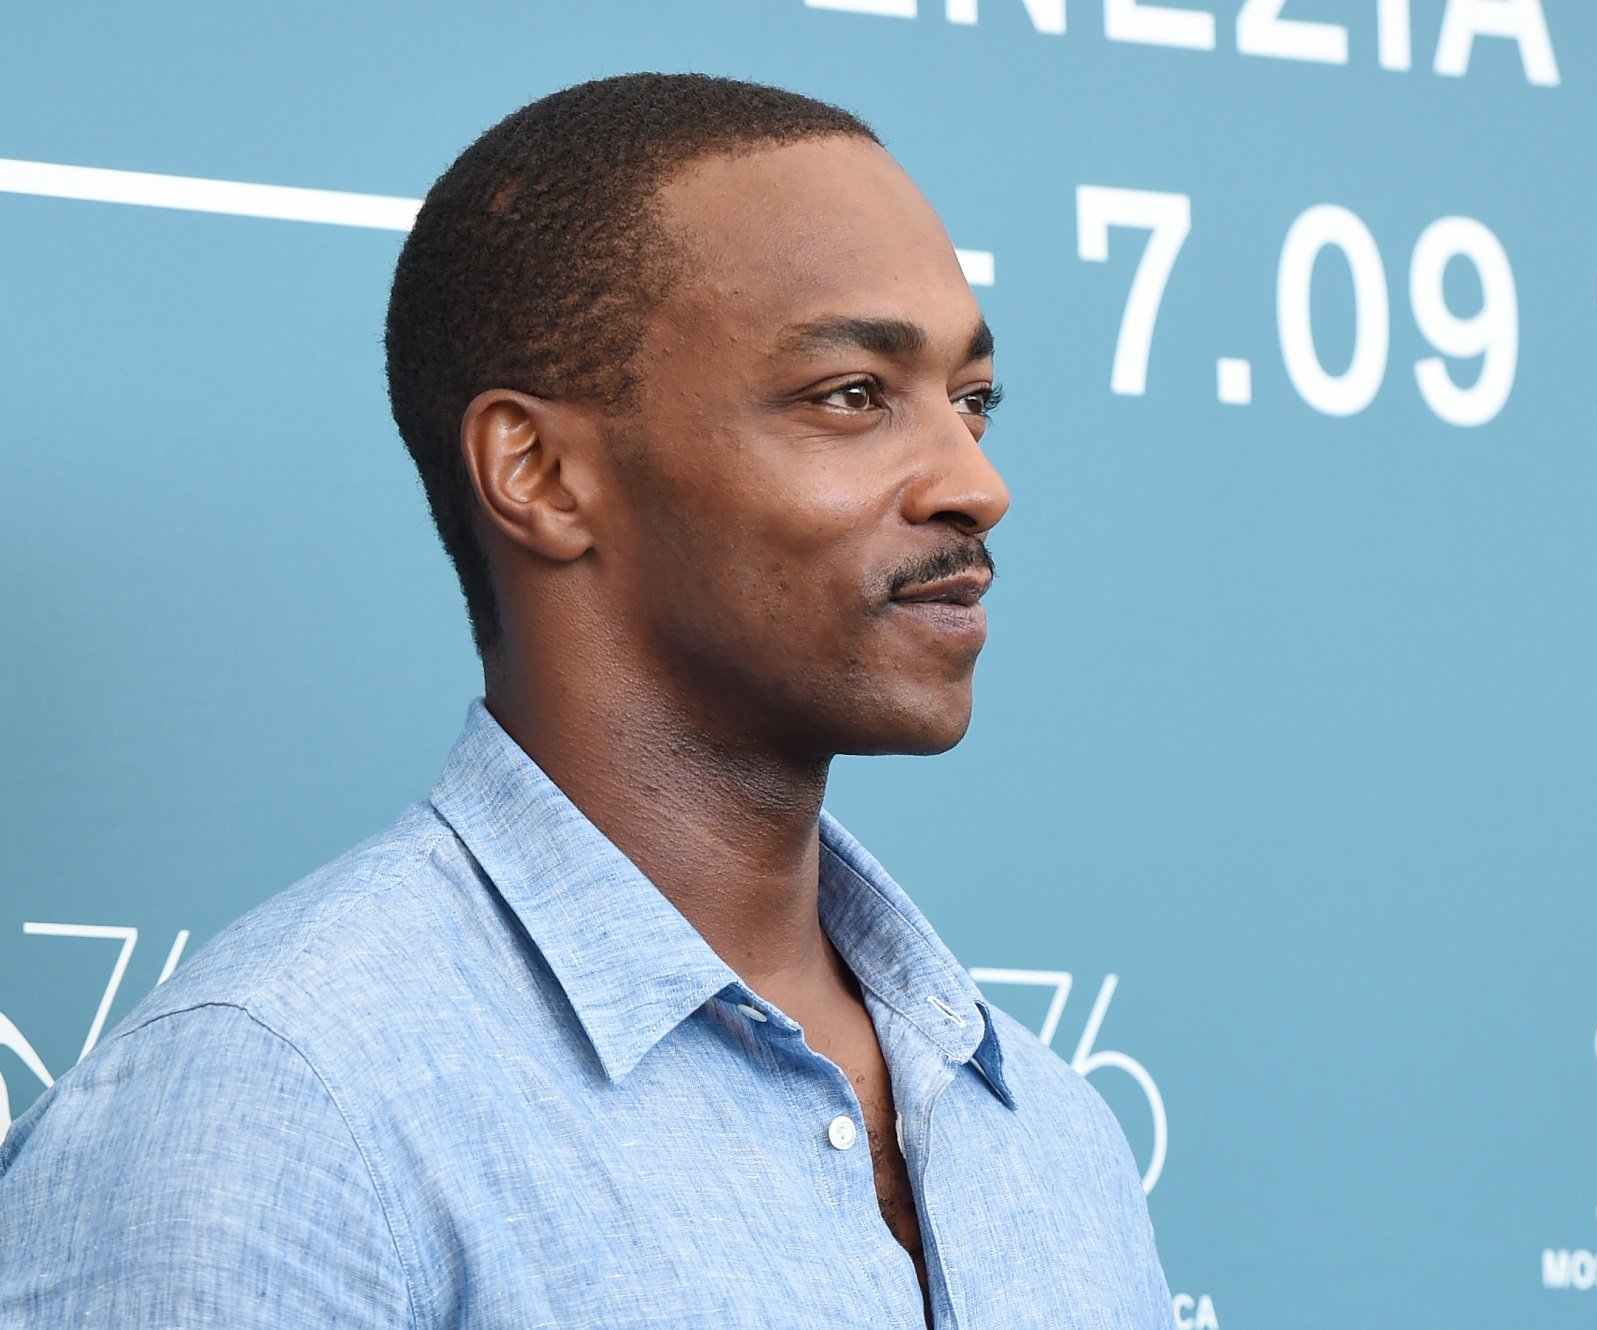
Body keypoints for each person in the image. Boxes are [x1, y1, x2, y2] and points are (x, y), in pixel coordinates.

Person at [0, 74, 1171, 1328]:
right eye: (850, 396)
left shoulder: (1045, 1129)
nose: (972, 482)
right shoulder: (276, 1109)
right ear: (541, 475)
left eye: (972, 400)